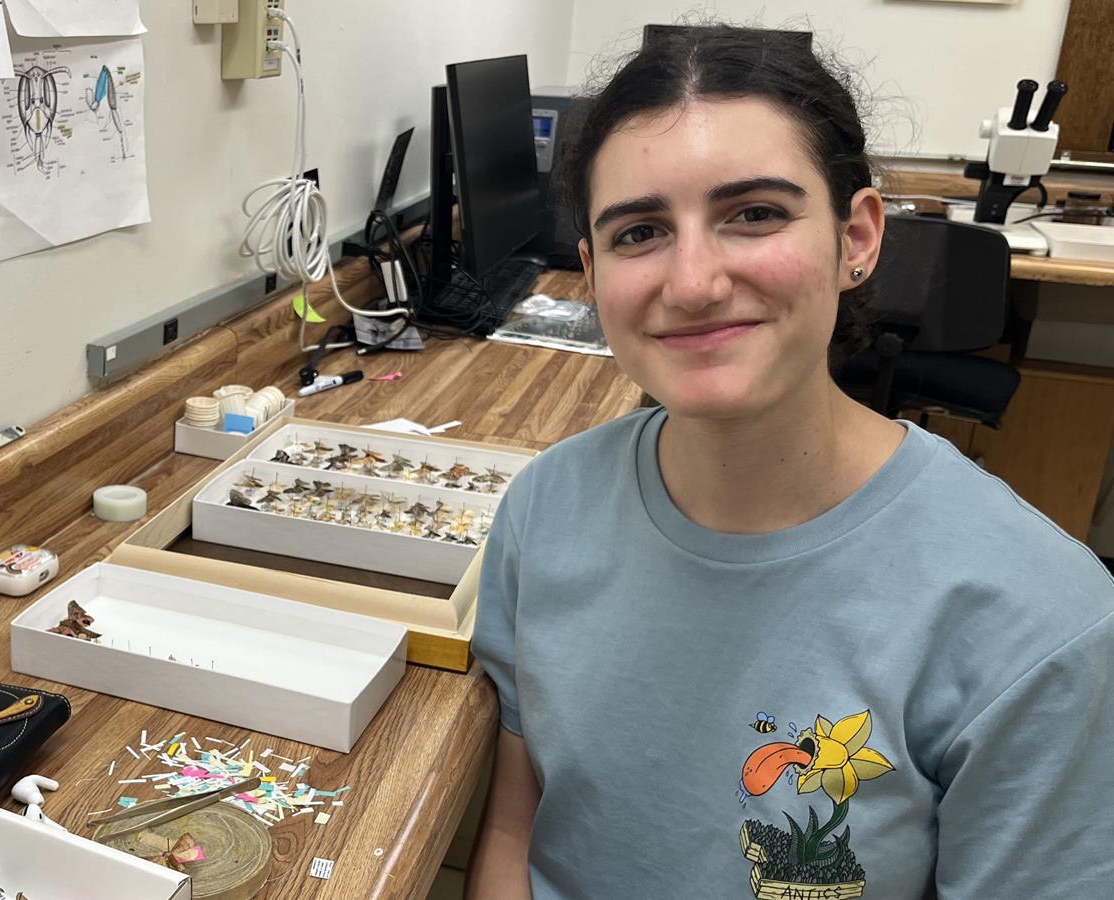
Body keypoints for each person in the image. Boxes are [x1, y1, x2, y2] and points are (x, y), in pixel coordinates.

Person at [466, 25, 1114, 899]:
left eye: (755, 214)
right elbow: (515, 825)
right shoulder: (546, 510)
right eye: (640, 232)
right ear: (590, 271)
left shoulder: (1039, 624)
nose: (692, 282)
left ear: (858, 237)